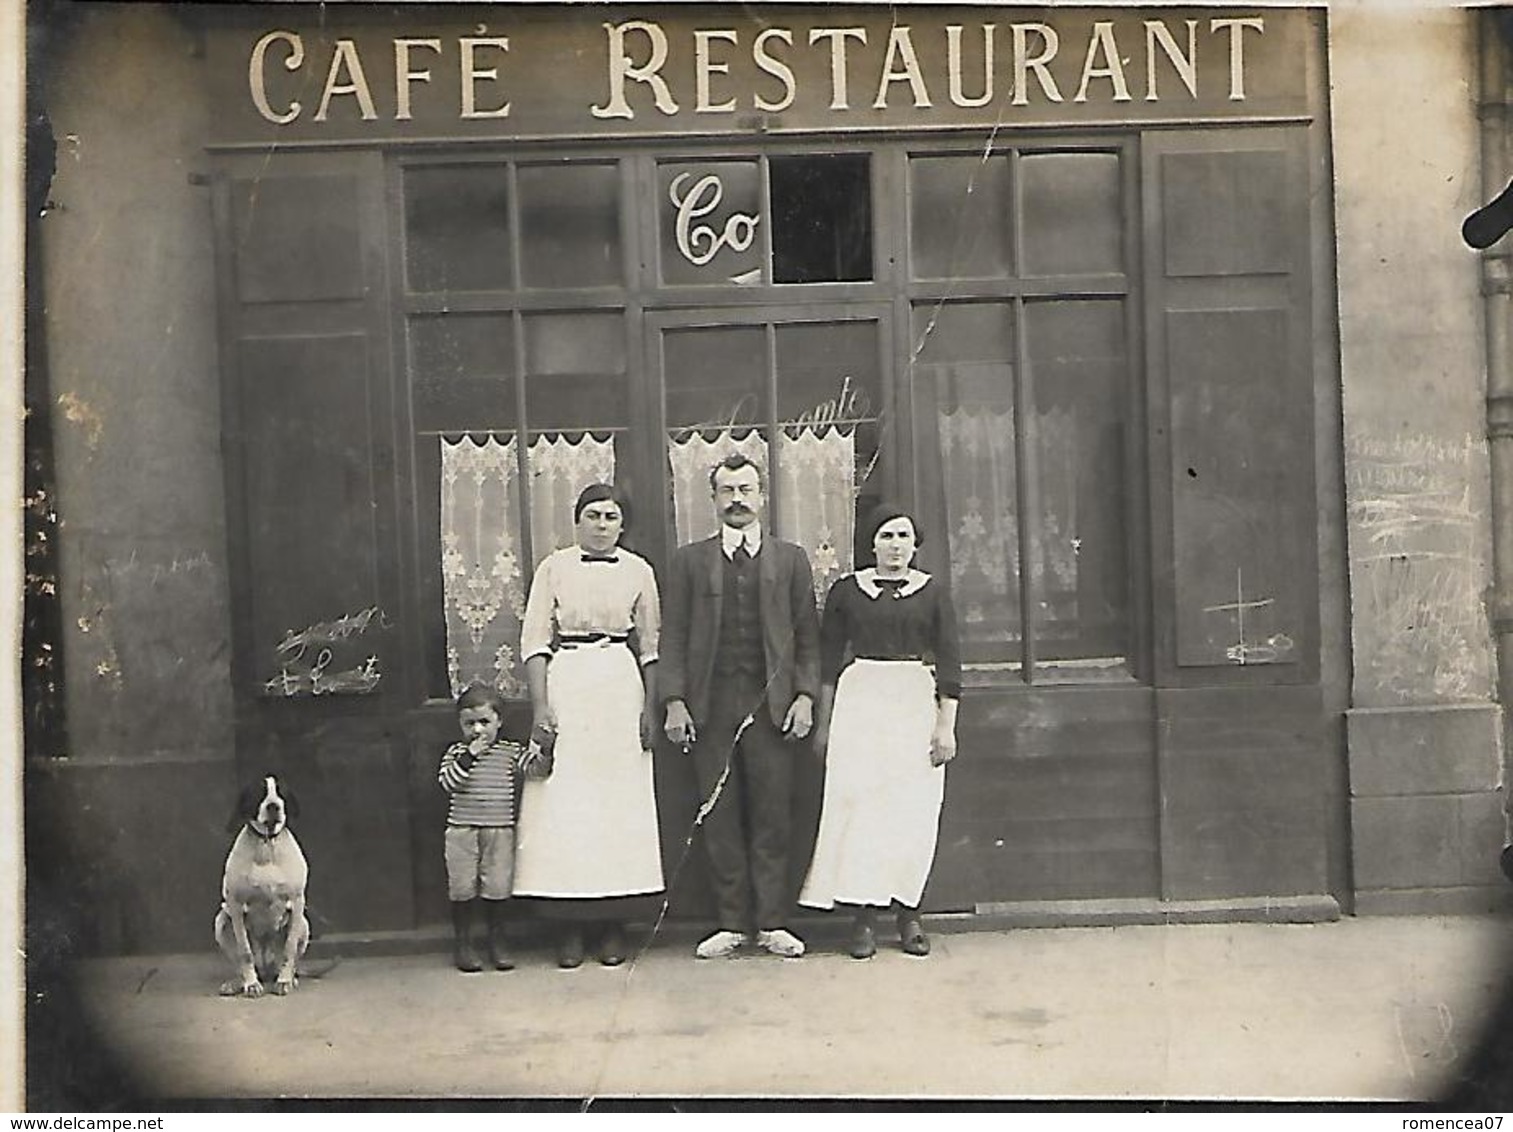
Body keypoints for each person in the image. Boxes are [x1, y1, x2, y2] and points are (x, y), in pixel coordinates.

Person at [661, 453, 821, 959]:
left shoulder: (791, 559)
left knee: (774, 813)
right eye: (727, 491)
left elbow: (808, 640)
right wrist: (674, 702)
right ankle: (731, 923)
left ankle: (772, 922)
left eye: (745, 489)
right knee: (718, 813)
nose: (737, 500)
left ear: (761, 496)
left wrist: (804, 695)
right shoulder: (690, 561)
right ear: (712, 499)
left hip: (771, 706)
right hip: (711, 706)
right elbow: (674, 637)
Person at [798, 505, 961, 959]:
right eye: (886, 536)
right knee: (862, 809)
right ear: (871, 543)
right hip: (861, 698)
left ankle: (909, 914)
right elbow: (828, 663)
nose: (895, 545)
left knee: (911, 809)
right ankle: (864, 919)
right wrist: (825, 725)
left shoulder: (932, 593)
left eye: (904, 536)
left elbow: (950, 663)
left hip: (912, 699)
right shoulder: (847, 592)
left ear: (915, 543)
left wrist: (945, 726)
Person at [515, 483, 665, 969]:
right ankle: (569, 927)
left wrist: (649, 708)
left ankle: (613, 927)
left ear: (623, 524)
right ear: (577, 520)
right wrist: (541, 708)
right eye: (593, 515)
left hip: (620, 686)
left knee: (616, 807)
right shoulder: (554, 567)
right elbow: (535, 640)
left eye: (611, 516)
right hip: (570, 679)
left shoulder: (639, 570)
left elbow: (651, 645)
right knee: (568, 806)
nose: (602, 524)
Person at [437, 682, 525, 973]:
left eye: (485, 722)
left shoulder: (510, 752)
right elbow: (448, 783)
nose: (477, 730)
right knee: (462, 888)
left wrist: (545, 747)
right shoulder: (455, 753)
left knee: (497, 887)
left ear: (499, 722)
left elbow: (536, 769)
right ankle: (464, 944)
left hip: (499, 830)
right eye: (469, 723)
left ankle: (497, 941)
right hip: (462, 830)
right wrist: (469, 756)